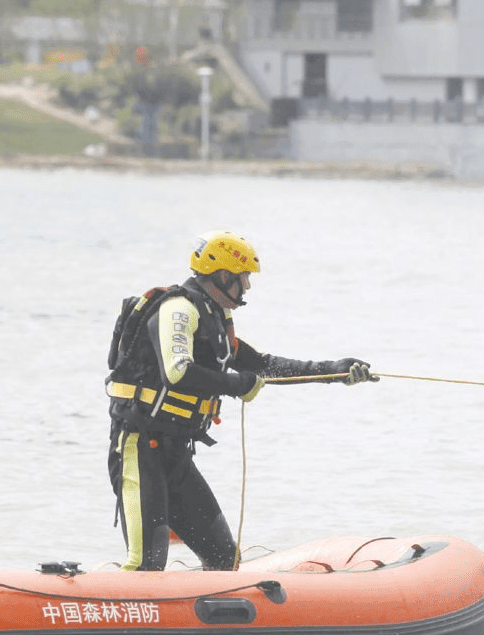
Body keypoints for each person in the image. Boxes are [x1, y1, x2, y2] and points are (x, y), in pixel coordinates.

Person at [104, 230, 377, 571]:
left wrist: (334, 371)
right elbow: (177, 373)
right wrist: (238, 385)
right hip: (139, 447)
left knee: (223, 558)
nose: (246, 287)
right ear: (222, 275)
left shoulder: (216, 320)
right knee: (147, 563)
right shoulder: (179, 309)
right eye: (243, 278)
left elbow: (263, 365)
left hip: (175, 454)